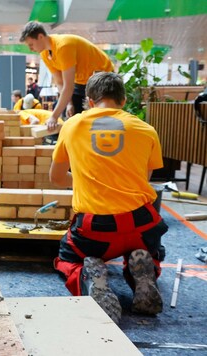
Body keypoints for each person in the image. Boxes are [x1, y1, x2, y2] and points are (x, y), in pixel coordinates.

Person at [49, 72, 167, 324]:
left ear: (90, 101)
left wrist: (83, 179)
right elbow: (142, 180)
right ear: (123, 100)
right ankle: (143, 275)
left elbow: (57, 178)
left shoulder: (72, 125)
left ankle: (90, 279)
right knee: (151, 251)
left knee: (67, 257)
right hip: (140, 225)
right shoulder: (146, 129)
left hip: (95, 231)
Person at [20, 21, 113, 130]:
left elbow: (68, 87)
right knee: (71, 114)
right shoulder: (45, 54)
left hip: (102, 77)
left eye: (31, 44)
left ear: (40, 36)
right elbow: (60, 83)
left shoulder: (63, 46)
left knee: (96, 119)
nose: (31, 49)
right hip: (82, 81)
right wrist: (69, 104)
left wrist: (54, 117)